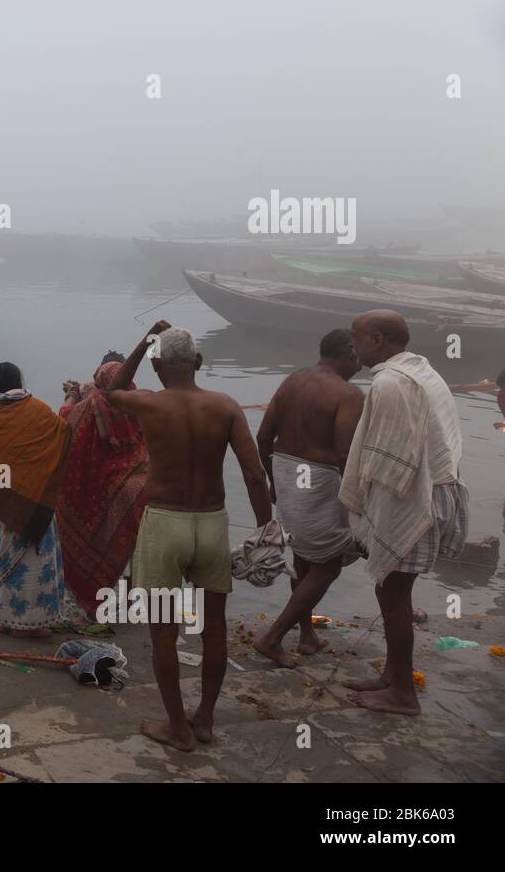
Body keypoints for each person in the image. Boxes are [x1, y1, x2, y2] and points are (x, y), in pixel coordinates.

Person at [104, 322, 273, 751]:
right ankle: (205, 720)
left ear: (158, 366)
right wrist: (265, 529)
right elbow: (254, 474)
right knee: (214, 629)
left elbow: (112, 389)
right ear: (198, 362)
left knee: (164, 632)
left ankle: (177, 727)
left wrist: (145, 339)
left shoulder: (149, 403)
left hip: (164, 524)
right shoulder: (226, 406)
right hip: (211, 523)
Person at [340, 310, 467, 716]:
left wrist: (368, 509)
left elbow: (390, 464)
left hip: (415, 500)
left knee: (394, 593)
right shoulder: (421, 370)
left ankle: (403, 695)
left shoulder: (393, 382)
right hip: (434, 490)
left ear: (376, 340)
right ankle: (393, 677)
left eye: (356, 337)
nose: (352, 345)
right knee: (389, 590)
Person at [252, 329, 365, 668]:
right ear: (349, 353)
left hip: (285, 471)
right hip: (319, 479)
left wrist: (274, 481)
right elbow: (346, 453)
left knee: (302, 557)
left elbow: (262, 436)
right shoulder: (349, 395)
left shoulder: (293, 380)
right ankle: (272, 638)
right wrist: (361, 500)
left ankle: (306, 636)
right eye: (358, 355)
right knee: (327, 565)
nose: (361, 363)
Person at [0, 362, 70, 637]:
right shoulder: (38, 411)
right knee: (34, 564)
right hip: (33, 505)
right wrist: (72, 398)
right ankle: (34, 625)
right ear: (19, 381)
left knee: (1, 562)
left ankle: (3, 619)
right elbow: (64, 434)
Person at [56, 351, 149, 614]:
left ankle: (97, 605)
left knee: (100, 546)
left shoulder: (90, 406)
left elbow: (63, 424)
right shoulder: (142, 405)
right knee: (134, 551)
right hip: (139, 491)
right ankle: (134, 605)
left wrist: (72, 395)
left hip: (101, 494)